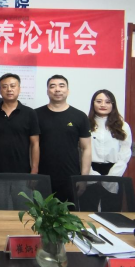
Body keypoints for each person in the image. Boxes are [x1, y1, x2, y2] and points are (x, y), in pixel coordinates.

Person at [0, 74, 40, 209]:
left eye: (12, 86)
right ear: (0, 90)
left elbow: (35, 144)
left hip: (23, 173)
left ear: (19, 89)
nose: (9, 89)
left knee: (24, 211)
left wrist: (34, 171)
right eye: (4, 86)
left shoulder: (30, 113)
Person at [35, 75, 91, 203]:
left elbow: (86, 148)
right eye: (52, 86)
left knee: (68, 213)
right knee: (40, 213)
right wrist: (33, 174)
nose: (57, 89)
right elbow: (32, 146)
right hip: (42, 177)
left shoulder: (79, 116)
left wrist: (83, 178)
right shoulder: (35, 115)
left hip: (70, 176)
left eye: (61, 86)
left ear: (68, 91)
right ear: (47, 91)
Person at [81, 89, 133, 211]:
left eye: (108, 102)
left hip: (114, 170)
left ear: (113, 105)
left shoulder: (123, 126)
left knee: (111, 211)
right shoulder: (85, 124)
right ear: (93, 103)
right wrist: (90, 173)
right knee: (87, 210)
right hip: (90, 169)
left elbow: (125, 152)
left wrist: (112, 176)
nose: (103, 105)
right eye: (99, 101)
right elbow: (80, 150)